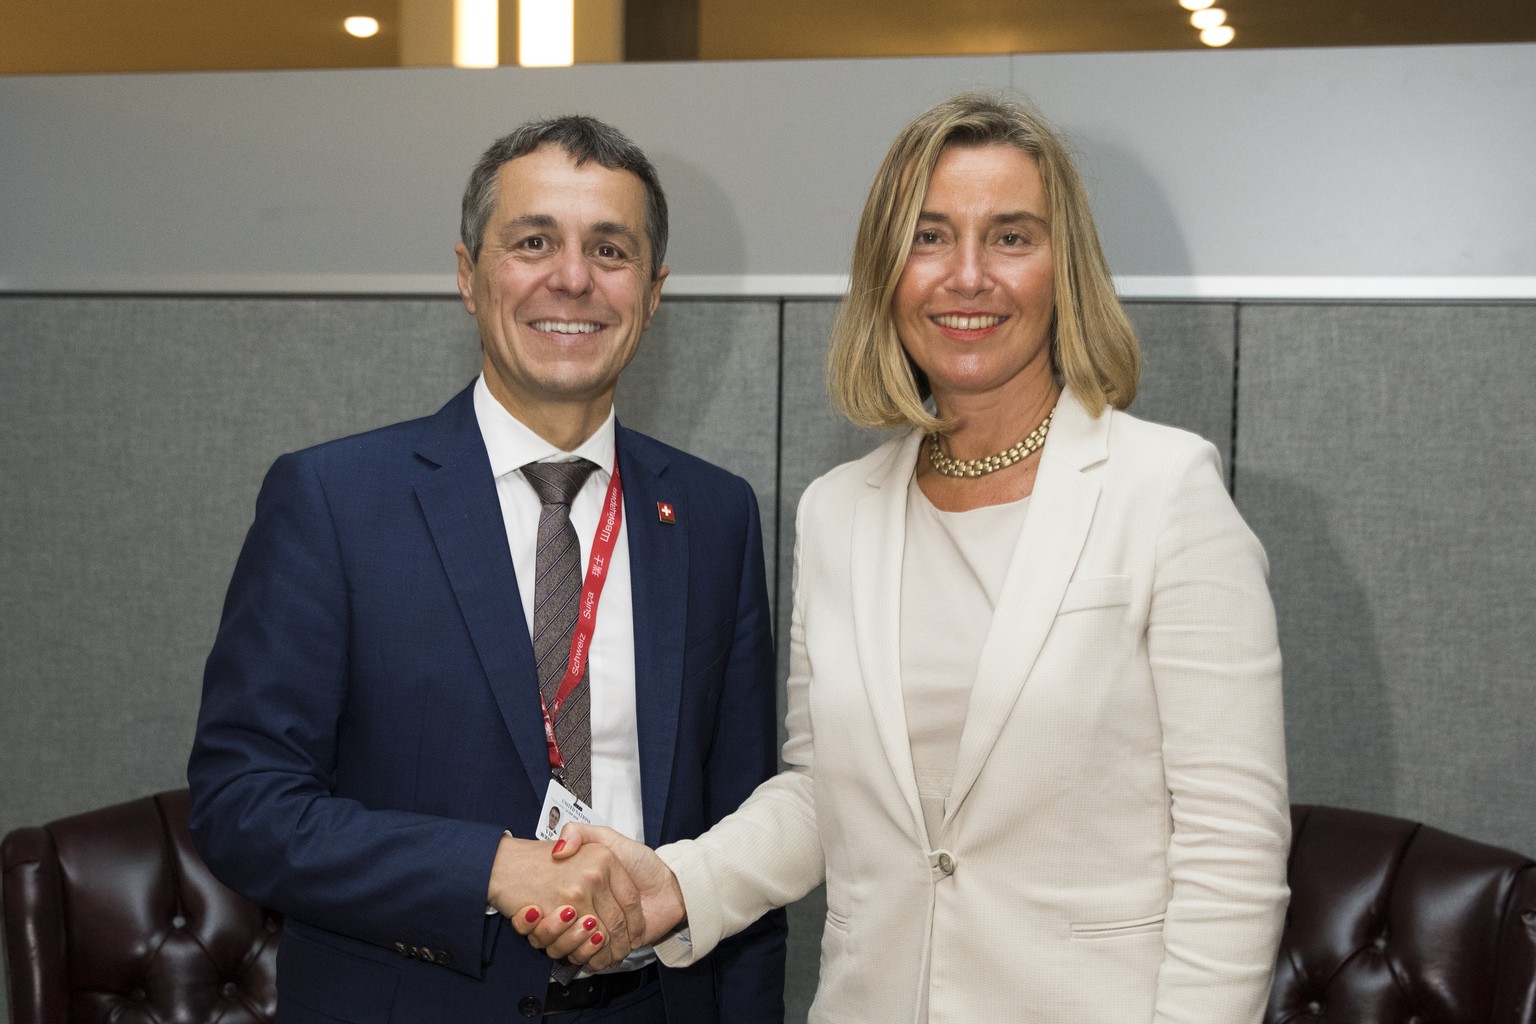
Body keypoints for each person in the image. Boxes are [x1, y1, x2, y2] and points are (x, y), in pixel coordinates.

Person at [515, 93, 1290, 1023]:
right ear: (888, 273)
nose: (968, 276)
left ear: (1064, 269)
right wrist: (674, 884)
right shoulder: (841, 513)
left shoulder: (1166, 492)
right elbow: (822, 795)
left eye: (1011, 237)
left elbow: (1233, 850)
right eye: (930, 237)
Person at [187, 115, 786, 1024]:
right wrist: (492, 867)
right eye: (533, 241)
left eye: (610, 249)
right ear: (469, 274)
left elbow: (748, 830)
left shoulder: (713, 515)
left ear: (654, 292)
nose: (572, 278)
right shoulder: (335, 501)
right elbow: (244, 805)